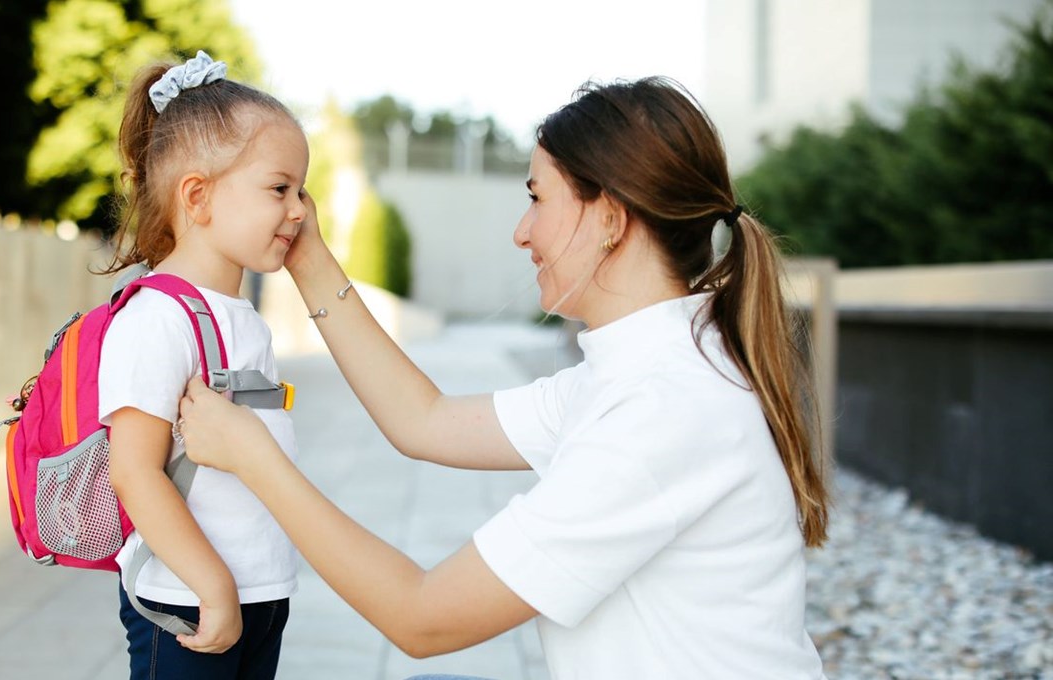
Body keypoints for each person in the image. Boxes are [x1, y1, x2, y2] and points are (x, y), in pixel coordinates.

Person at [177, 76, 830, 679]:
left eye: (537, 199)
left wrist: (255, 460)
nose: (522, 232)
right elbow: (425, 422)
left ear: (610, 218)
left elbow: (423, 617)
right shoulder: (638, 375)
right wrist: (310, 258)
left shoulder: (662, 411)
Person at [98, 50, 307, 679]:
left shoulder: (241, 315)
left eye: (302, 191)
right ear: (198, 196)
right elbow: (133, 472)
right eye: (279, 189)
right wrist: (213, 584)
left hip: (259, 590)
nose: (299, 210)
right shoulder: (154, 317)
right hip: (186, 599)